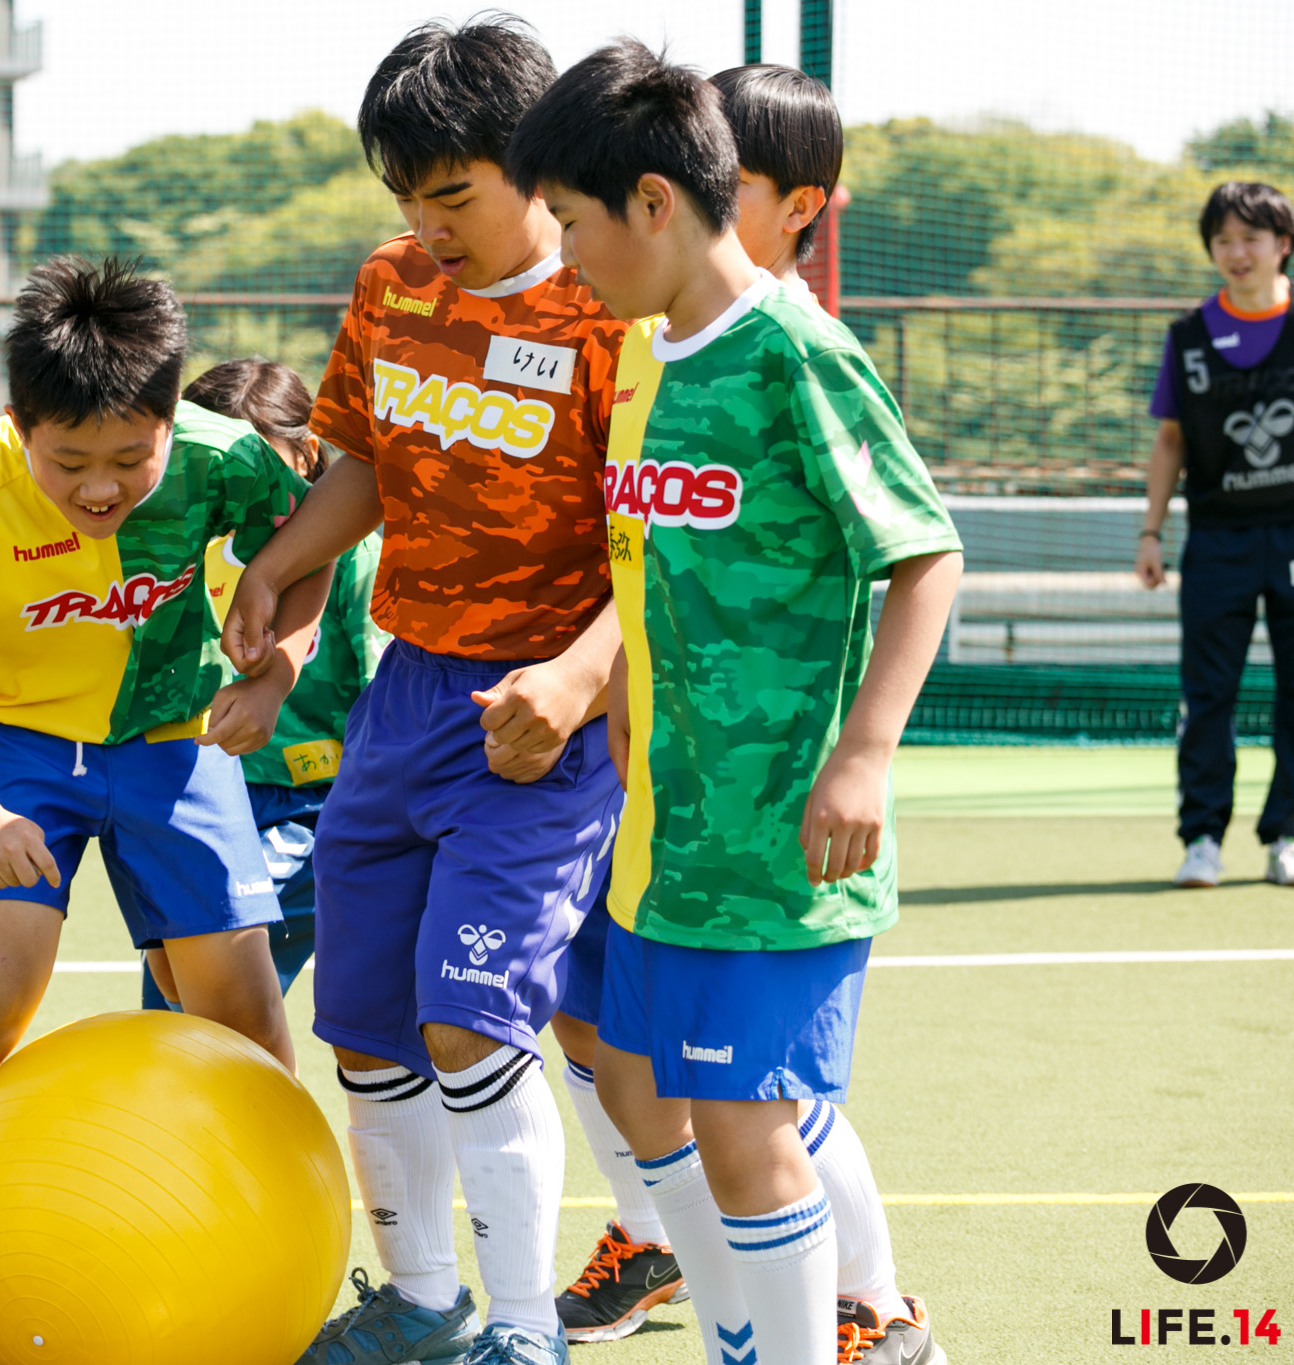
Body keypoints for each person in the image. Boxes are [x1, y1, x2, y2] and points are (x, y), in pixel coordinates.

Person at [508, 38, 962, 1365]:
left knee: (753, 1134)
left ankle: (846, 1336)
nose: (568, 255)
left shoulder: (793, 352)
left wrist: (865, 754)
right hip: (665, 843)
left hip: (779, 847)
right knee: (682, 1116)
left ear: (655, 202)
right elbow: (647, 580)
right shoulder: (648, 356)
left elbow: (925, 551)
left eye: (575, 224)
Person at [0, 258, 329, 1365]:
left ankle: (298, 1238)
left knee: (241, 1014)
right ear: (18, 425)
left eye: (128, 460)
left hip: (165, 742)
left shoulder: (224, 457)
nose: (100, 489)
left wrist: (278, 669)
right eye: (69, 463)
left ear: (169, 418)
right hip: (13, 752)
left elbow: (308, 555)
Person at [223, 18, 628, 1365]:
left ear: (535, 171)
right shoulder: (393, 285)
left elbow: (671, 545)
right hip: (404, 699)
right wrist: (279, 568)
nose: (425, 223)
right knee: (371, 1019)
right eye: (406, 197)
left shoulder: (612, 319)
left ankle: (525, 1331)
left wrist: (576, 680)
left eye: (451, 194)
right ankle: (422, 1299)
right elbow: (365, 465)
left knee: (472, 1015)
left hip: (540, 726)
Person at [141, 358, 386, 1010]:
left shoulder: (357, 555)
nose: (235, 482)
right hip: (192, 799)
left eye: (255, 460)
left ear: (307, 454)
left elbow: (381, 699)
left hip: (307, 809)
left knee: (218, 1008)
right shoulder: (180, 540)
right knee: (178, 1010)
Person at [1138, 181, 1294, 889]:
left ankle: (1286, 835)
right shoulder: (1190, 336)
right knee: (1208, 694)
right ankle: (1202, 836)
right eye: (1223, 240)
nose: (1236, 252)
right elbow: (1170, 440)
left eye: (1250, 238)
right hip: (1218, 541)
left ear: (1282, 245)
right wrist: (1151, 532)